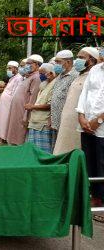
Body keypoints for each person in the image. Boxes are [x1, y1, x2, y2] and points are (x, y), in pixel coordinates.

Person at [54, 47, 99, 155]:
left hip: (79, 123)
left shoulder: (95, 78)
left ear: (92, 60)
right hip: (66, 123)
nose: (77, 60)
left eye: (81, 57)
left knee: (75, 154)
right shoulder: (79, 76)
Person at [76, 48, 104, 208]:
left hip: (101, 128)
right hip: (85, 125)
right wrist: (81, 116)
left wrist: (98, 120)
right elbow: (84, 93)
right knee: (89, 162)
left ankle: (102, 201)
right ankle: (94, 196)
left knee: (102, 163)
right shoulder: (95, 69)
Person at [6, 55, 43, 145]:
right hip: (17, 111)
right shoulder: (29, 77)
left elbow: (32, 98)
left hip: (23, 113)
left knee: (20, 138)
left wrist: (26, 116)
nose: (26, 65)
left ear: (37, 65)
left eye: (29, 63)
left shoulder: (36, 77)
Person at [25, 63, 56, 153]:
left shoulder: (54, 85)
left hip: (44, 123)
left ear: (50, 73)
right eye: (39, 73)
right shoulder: (44, 85)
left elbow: (50, 105)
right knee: (33, 150)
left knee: (43, 152)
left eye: (42, 73)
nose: (40, 76)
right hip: (35, 121)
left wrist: (32, 106)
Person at [50, 50, 79, 136]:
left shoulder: (75, 76)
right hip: (55, 120)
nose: (56, 64)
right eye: (55, 62)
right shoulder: (60, 75)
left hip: (67, 120)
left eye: (58, 62)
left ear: (68, 62)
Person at [0, 61, 21, 143]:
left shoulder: (19, 78)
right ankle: (0, 138)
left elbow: (15, 93)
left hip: (8, 105)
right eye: (7, 68)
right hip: (4, 105)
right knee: (1, 120)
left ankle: (4, 139)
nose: (8, 70)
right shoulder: (12, 78)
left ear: (16, 68)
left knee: (5, 121)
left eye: (10, 68)